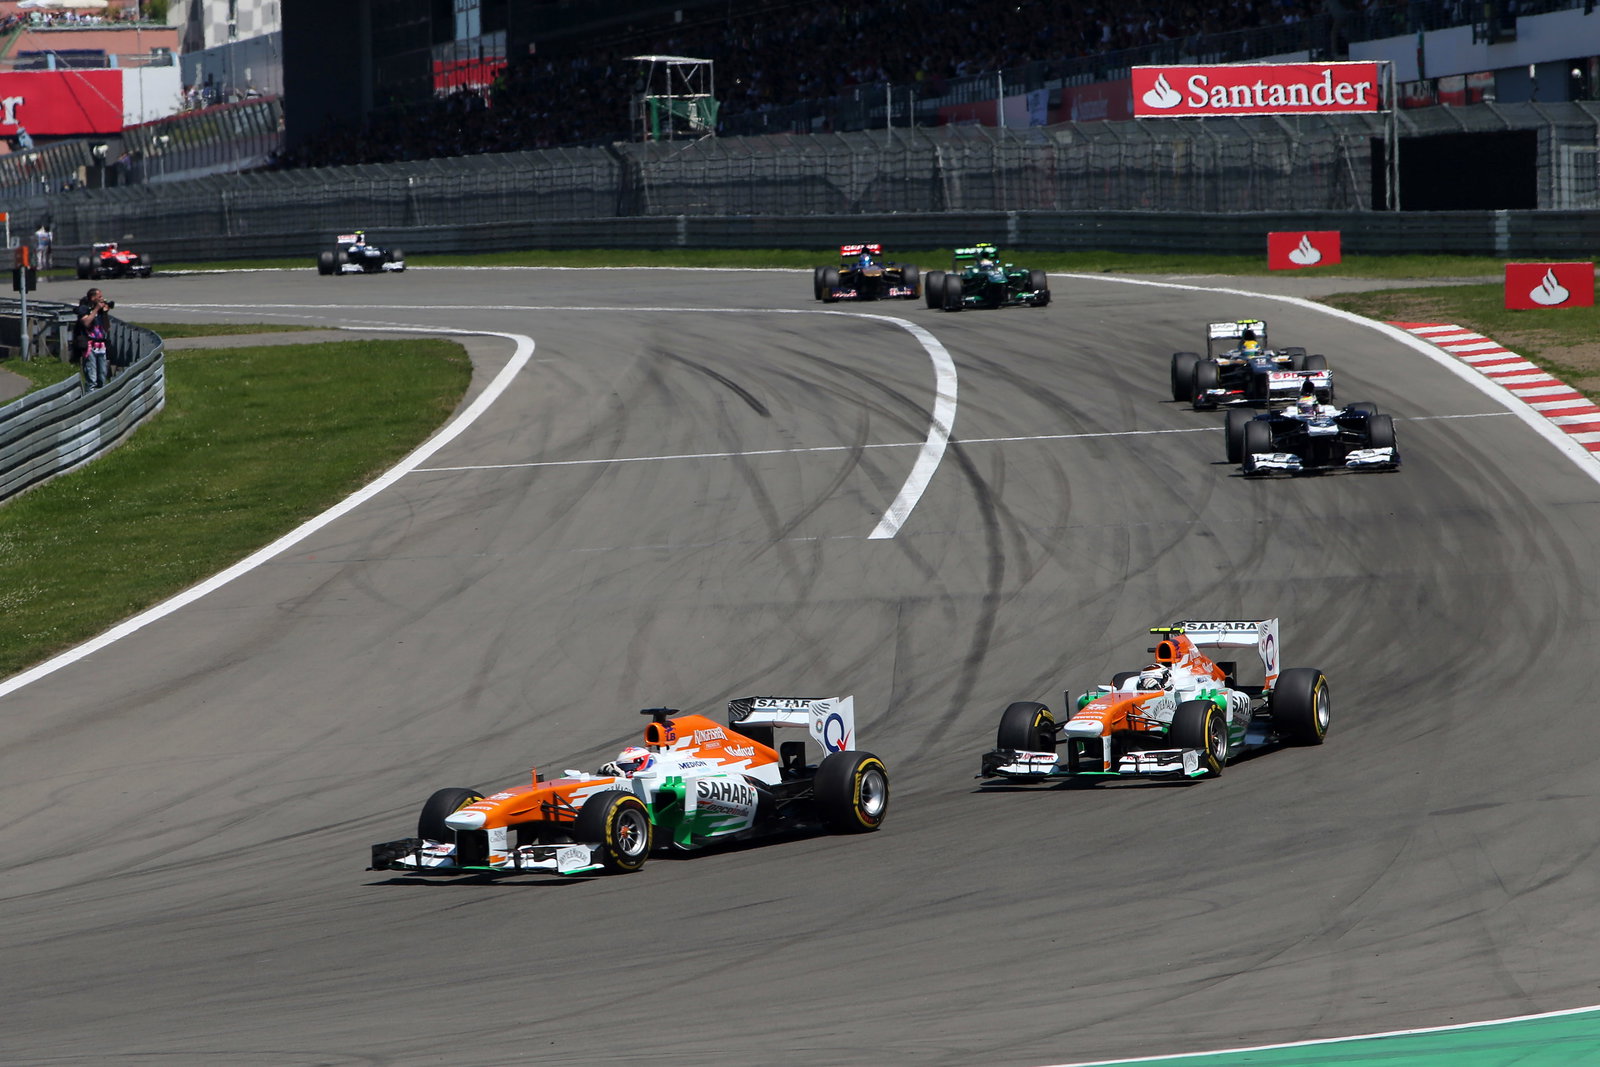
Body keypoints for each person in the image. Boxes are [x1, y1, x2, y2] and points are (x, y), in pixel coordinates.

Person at [74, 288, 112, 390]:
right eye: (99, 297)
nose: (102, 299)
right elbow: (86, 323)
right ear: (93, 298)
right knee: (92, 378)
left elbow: (107, 328)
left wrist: (105, 313)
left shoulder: (100, 312)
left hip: (101, 345)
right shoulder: (84, 309)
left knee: (102, 376)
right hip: (89, 346)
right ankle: (90, 399)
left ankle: (102, 399)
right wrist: (95, 310)